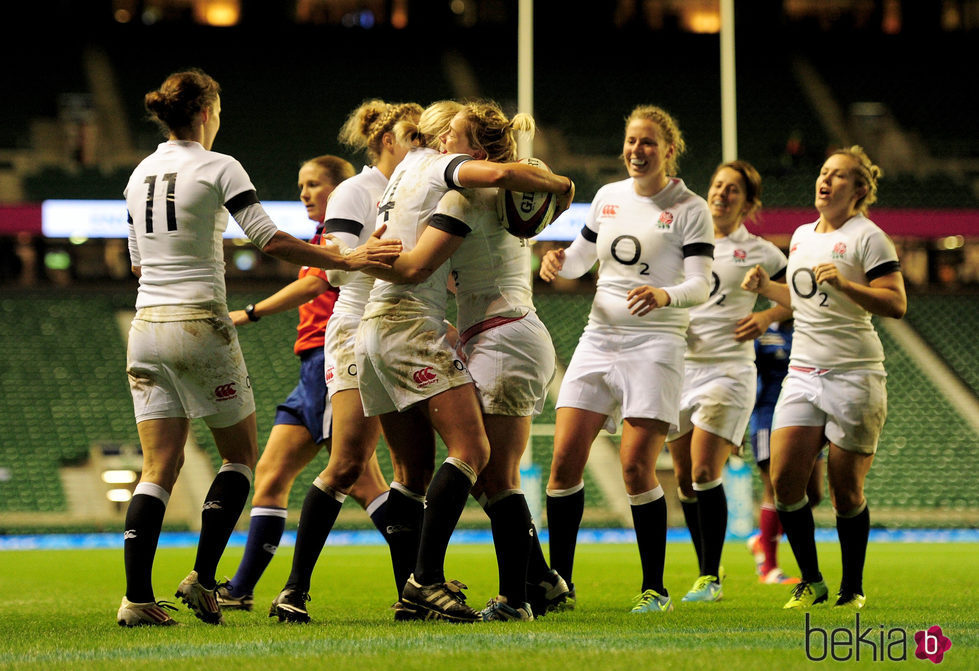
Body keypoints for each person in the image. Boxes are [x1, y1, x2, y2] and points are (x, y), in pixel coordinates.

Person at [116, 68, 401, 627]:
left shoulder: (138, 173)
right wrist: (346, 259)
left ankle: (136, 599)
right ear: (205, 112)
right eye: (217, 109)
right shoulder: (220, 166)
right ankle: (202, 577)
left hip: (145, 323)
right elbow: (269, 239)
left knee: (157, 466)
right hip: (200, 319)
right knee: (240, 459)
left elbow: (137, 263)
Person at [355, 99, 575, 622]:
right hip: (482, 332)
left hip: (502, 335)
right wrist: (560, 192)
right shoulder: (466, 189)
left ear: (473, 148)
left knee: (491, 473)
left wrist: (353, 260)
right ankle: (533, 583)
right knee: (486, 474)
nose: (443, 140)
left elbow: (420, 263)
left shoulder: (461, 189)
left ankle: (510, 594)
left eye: (453, 134)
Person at [539, 105, 714, 614]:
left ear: (668, 150)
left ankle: (654, 589)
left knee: (637, 466)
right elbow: (579, 258)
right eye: (632, 141)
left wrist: (665, 296)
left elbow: (701, 282)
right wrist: (557, 261)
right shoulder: (608, 198)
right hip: (600, 337)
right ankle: (560, 586)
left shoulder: (689, 208)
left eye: (648, 143)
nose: (637, 151)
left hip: (656, 345)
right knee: (563, 464)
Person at [262, 100, 425, 623]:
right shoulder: (356, 191)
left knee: (411, 469)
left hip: (403, 329)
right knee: (348, 462)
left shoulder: (421, 187)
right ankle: (293, 589)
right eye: (412, 137)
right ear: (384, 141)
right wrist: (372, 256)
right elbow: (333, 273)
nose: (421, 146)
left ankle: (412, 592)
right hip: (356, 329)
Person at [215, 151, 399, 612]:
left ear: (339, 190)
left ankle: (418, 572)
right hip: (310, 369)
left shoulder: (338, 238)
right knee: (273, 474)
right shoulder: (319, 237)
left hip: (330, 359)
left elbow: (317, 283)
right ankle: (240, 590)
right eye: (301, 184)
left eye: (313, 184)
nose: (304, 192)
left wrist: (249, 312)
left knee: (361, 480)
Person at [741, 145, 906, 610]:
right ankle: (810, 579)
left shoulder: (869, 238)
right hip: (803, 371)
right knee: (785, 479)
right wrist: (766, 288)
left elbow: (896, 303)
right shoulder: (799, 236)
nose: (825, 180)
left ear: (859, 189)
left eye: (838, 175)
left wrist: (846, 283)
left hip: (855, 374)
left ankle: (851, 587)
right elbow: (803, 299)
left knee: (845, 491)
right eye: (823, 172)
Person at [665, 160, 791, 603]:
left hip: (728, 370)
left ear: (748, 202)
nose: (721, 194)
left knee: (703, 470)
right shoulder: (681, 242)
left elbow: (802, 295)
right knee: (683, 480)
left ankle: (709, 579)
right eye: (717, 185)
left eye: (733, 189)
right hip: (679, 368)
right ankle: (709, 571)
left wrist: (768, 314)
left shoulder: (760, 251)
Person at [746, 318, 825, 585]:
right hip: (768, 418)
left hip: (807, 419)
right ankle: (769, 568)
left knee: (813, 494)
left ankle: (761, 539)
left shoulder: (811, 328)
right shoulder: (763, 332)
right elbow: (748, 376)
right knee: (774, 489)